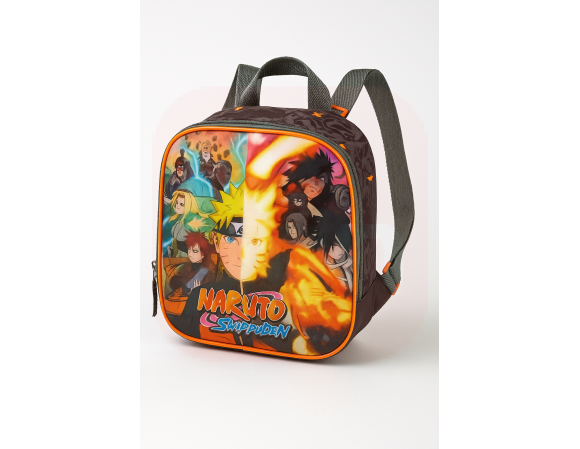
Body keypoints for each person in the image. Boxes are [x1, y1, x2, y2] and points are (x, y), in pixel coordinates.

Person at [165, 230, 216, 297]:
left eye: (195, 251)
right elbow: (173, 284)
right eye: (189, 250)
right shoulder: (185, 268)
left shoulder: (208, 273)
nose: (190, 254)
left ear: (203, 254)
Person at [167, 190, 215, 258]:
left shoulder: (194, 221)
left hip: (188, 255)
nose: (177, 206)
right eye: (176, 203)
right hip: (178, 252)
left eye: (182, 204)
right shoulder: (182, 218)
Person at [317, 207, 354, 292]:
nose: (340, 250)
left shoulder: (350, 264)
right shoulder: (319, 266)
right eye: (335, 245)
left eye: (343, 246)